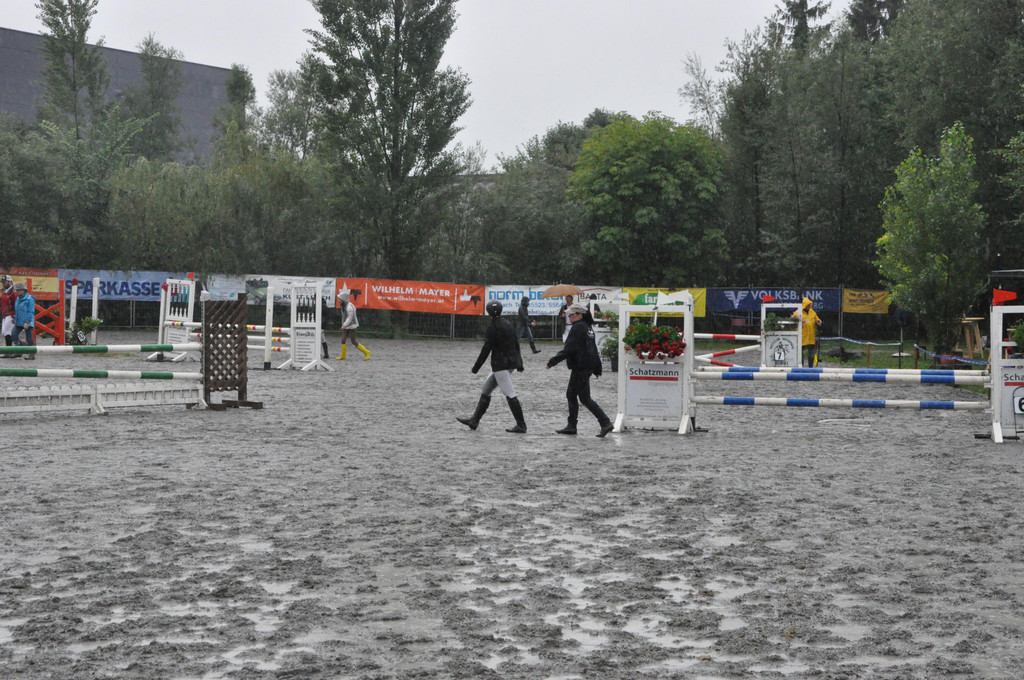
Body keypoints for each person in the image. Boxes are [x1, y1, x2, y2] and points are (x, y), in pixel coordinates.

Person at [457, 300, 527, 433]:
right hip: (510, 362)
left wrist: (476, 367)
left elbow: (486, 349)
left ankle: (521, 425)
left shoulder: (493, 327)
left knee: (510, 393)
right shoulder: (507, 323)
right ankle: (474, 420)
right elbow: (516, 344)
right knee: (486, 389)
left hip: (500, 365)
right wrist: (519, 362)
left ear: (488, 312)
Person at [546, 302, 613, 437]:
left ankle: (605, 422)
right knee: (572, 395)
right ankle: (572, 425)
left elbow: (569, 349)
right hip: (585, 366)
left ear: (579, 315)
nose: (569, 317)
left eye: (571, 314)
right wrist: (597, 368)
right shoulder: (587, 327)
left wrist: (553, 361)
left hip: (581, 366)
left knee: (584, 398)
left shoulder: (578, 327)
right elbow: (593, 349)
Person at [335, 289, 370, 361]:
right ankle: (343, 356)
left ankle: (366, 352)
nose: (339, 301)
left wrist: (344, 325)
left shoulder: (349, 307)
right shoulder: (344, 306)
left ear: (344, 299)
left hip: (352, 326)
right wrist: (344, 325)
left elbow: (350, 317)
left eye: (340, 299)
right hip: (347, 326)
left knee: (353, 341)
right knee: (343, 340)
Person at [792, 297, 822, 367]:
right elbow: (792, 319)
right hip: (802, 337)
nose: (809, 306)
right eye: (808, 305)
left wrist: (819, 321)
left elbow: (817, 319)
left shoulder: (812, 312)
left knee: (811, 353)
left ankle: (810, 367)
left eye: (810, 305)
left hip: (811, 336)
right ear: (804, 305)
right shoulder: (798, 312)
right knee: (801, 353)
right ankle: (801, 366)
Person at [12, 281, 36, 360]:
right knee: (13, 335)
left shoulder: (29, 299)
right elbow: (18, 310)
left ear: (23, 290)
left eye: (18, 290)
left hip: (27, 321)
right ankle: (21, 348)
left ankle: (31, 354)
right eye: (16, 290)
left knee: (29, 337)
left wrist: (27, 321)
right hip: (19, 321)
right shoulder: (18, 298)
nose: (17, 291)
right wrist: (15, 318)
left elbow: (30, 311)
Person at [1, 275, 16, 352]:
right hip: (4, 314)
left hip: (11, 314)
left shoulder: (14, 292)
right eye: (2, 282)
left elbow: (16, 304)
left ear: (10, 282)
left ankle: (9, 351)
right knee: (4, 332)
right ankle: (10, 351)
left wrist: (15, 315)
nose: (3, 283)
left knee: (8, 332)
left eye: (5, 282)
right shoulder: (3, 291)